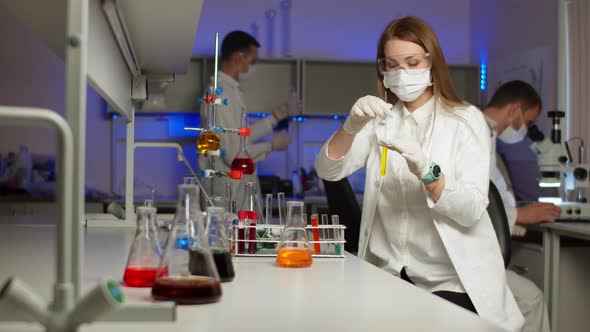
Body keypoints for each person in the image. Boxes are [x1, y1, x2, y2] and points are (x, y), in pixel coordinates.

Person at [315, 17, 524, 331]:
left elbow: (470, 209)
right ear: (382, 70)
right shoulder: (379, 121)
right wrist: (350, 127)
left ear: (432, 63)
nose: (402, 74)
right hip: (386, 276)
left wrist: (430, 173)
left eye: (412, 62)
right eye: (392, 65)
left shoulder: (466, 121)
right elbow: (328, 170)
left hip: (449, 280)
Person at [483, 80, 556, 332]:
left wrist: (520, 213)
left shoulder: (488, 136)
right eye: (529, 122)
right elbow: (475, 200)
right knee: (531, 299)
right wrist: (521, 215)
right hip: (467, 255)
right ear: (514, 110)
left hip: (483, 250)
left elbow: (495, 191)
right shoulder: (476, 133)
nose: (526, 130)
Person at [199, 30, 299, 205]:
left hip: (235, 192)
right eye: (253, 61)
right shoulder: (218, 95)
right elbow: (233, 155)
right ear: (239, 58)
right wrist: (270, 146)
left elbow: (240, 138)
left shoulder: (231, 91)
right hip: (224, 197)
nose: (253, 67)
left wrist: (277, 116)